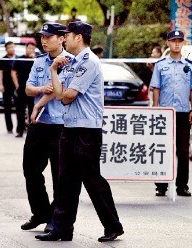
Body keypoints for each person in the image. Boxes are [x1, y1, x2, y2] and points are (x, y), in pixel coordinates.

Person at [35, 21, 124, 243]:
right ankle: (61, 228)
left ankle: (113, 225)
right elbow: (58, 95)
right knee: (66, 180)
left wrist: (61, 90)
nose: (64, 39)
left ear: (79, 37)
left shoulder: (89, 62)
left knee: (92, 179)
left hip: (87, 130)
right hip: (70, 127)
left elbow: (68, 95)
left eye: (68, 35)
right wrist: (54, 69)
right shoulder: (71, 63)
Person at [19, 23, 73, 233]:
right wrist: (42, 89)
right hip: (39, 124)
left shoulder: (69, 62)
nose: (44, 40)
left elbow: (61, 91)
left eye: (49, 37)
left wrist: (43, 96)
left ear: (61, 39)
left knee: (59, 175)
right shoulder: (39, 61)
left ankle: (56, 218)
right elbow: (28, 89)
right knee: (30, 169)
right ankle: (40, 212)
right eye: (42, 36)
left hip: (61, 125)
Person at [150, 30, 192, 197]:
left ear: (183, 43)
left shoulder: (190, 65)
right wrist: (155, 109)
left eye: (179, 41)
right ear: (168, 43)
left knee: (183, 151)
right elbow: (156, 88)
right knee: (163, 148)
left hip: (183, 113)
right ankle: (161, 185)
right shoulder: (161, 64)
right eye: (173, 41)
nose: (176, 43)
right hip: (165, 113)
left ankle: (182, 185)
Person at [11, 42, 37, 137]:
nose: (31, 50)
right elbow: (13, 71)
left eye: (32, 48)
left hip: (33, 89)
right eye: (29, 48)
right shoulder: (20, 59)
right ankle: (20, 130)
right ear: (26, 48)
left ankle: (31, 131)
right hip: (22, 88)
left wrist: (34, 59)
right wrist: (16, 85)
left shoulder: (37, 60)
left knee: (32, 110)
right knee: (20, 111)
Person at [0, 41, 17, 133]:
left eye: (13, 47)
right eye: (9, 47)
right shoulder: (3, 60)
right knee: (7, 107)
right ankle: (9, 127)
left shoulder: (18, 59)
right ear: (6, 49)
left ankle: (20, 127)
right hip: (6, 86)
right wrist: (1, 85)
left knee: (19, 107)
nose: (12, 49)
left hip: (17, 86)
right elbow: (0, 73)